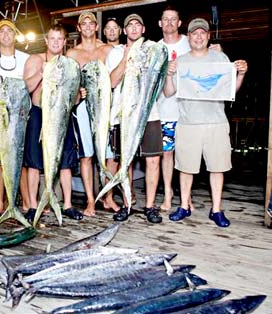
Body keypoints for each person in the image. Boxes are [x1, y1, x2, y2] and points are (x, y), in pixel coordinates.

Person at [163, 17, 248, 227]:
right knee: (185, 168)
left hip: (216, 122)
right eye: (194, 33)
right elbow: (168, 92)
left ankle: (216, 210)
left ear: (208, 36)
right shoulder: (180, 61)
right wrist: (168, 74)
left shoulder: (220, 58)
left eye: (202, 33)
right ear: (189, 37)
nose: (198, 36)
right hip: (187, 123)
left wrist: (241, 75)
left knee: (217, 167)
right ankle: (184, 206)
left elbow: (231, 91)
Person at [157, 6, 220, 211]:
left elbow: (210, 62)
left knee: (189, 158)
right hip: (165, 108)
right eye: (165, 19)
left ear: (179, 23)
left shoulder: (191, 41)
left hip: (191, 113)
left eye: (172, 19)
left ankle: (187, 199)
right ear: (160, 23)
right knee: (167, 154)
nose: (168, 23)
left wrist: (216, 50)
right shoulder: (154, 48)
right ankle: (168, 193)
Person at [106, 13, 163, 223]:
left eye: (138, 24)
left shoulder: (153, 50)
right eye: (129, 25)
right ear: (124, 30)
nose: (134, 28)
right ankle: (128, 203)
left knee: (153, 160)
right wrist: (126, 57)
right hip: (124, 115)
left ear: (144, 29)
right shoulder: (115, 53)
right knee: (125, 161)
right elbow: (111, 82)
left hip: (149, 114)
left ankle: (150, 206)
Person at [23, 24, 83, 222]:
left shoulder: (70, 64)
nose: (56, 42)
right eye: (52, 38)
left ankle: (67, 205)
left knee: (65, 162)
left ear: (65, 42)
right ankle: (33, 206)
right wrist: (43, 72)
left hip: (62, 115)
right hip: (39, 114)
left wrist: (79, 96)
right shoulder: (35, 59)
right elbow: (27, 88)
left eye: (60, 39)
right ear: (46, 41)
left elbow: (73, 99)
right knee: (33, 162)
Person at [0, 18, 30, 221]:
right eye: (3, 32)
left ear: (15, 35)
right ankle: (0, 205)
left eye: (11, 31)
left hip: (19, 120)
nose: (7, 35)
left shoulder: (27, 58)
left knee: (21, 162)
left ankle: (27, 203)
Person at [66, 12, 113, 217]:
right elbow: (67, 84)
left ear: (96, 26)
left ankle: (108, 197)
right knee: (87, 155)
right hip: (83, 109)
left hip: (106, 107)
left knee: (110, 155)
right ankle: (91, 201)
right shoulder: (72, 54)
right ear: (79, 27)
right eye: (83, 23)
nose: (87, 26)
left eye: (90, 23)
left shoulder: (108, 50)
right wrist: (76, 92)